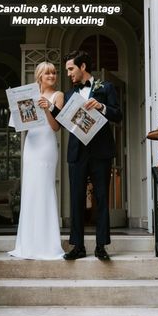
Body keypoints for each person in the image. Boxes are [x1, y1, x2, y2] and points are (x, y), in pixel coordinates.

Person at [53, 50, 122, 260]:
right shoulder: (68, 94)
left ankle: (101, 246)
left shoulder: (106, 88)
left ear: (83, 67)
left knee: (102, 198)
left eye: (71, 69)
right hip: (77, 153)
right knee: (76, 199)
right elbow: (63, 122)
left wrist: (101, 106)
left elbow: (118, 115)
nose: (68, 74)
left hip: (101, 151)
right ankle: (78, 247)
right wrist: (51, 110)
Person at [8, 61, 65, 260]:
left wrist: (48, 108)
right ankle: (27, 244)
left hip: (47, 146)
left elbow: (56, 127)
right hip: (31, 145)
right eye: (47, 73)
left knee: (45, 189)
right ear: (39, 76)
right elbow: (19, 125)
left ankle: (48, 244)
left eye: (54, 73)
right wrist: (17, 110)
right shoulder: (28, 94)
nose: (51, 76)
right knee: (30, 191)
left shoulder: (58, 96)